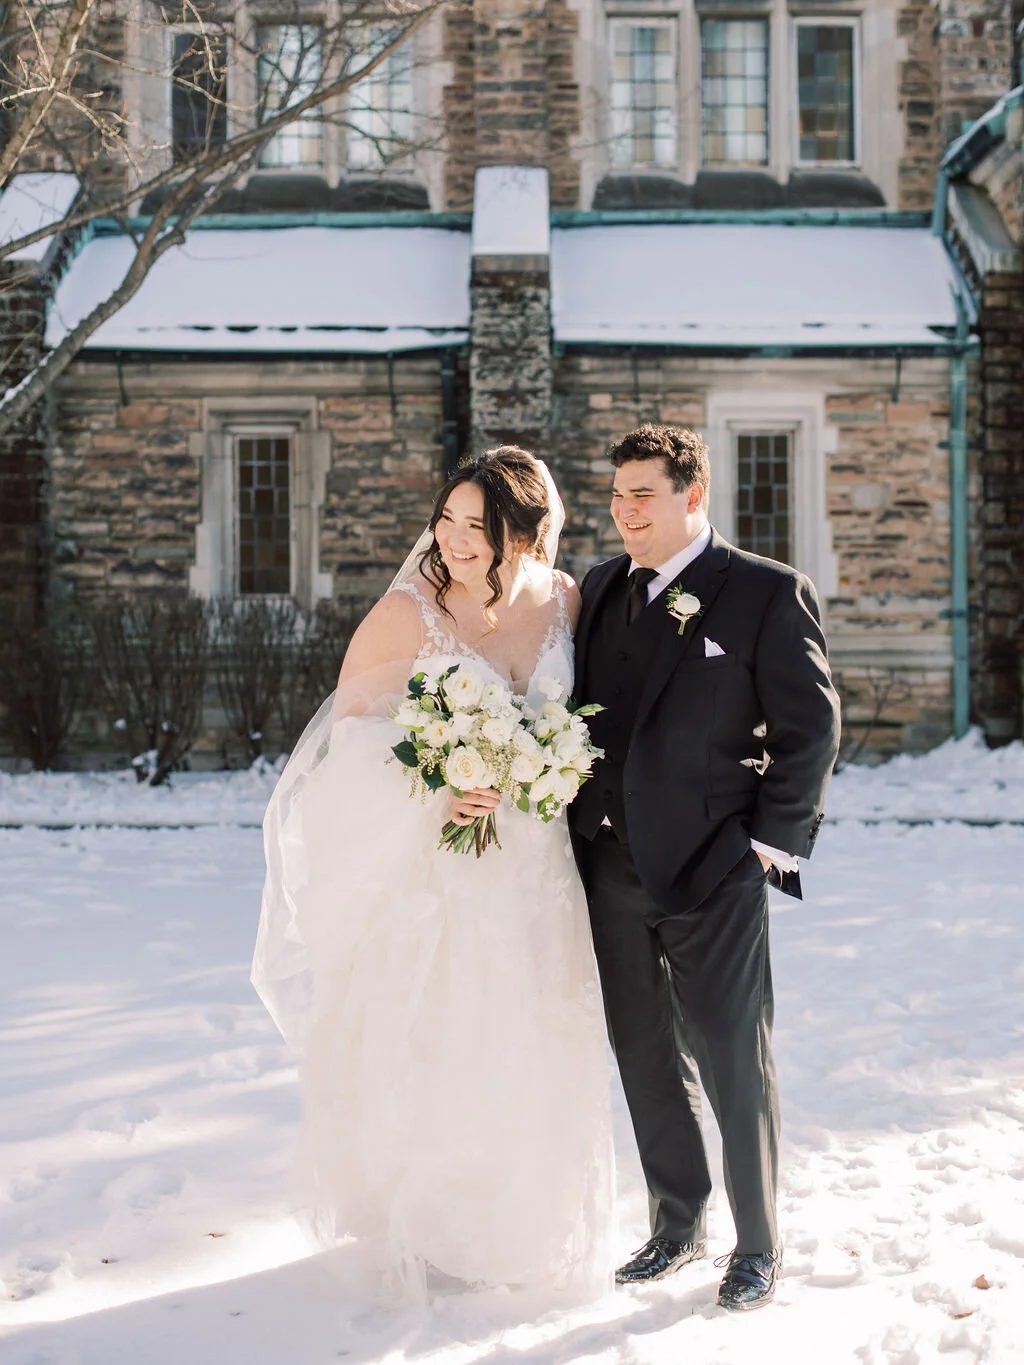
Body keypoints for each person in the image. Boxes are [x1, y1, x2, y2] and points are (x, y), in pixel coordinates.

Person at [252, 446, 613, 1304]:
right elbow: (347, 745)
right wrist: (440, 787)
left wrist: (560, 766)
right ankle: (447, 1223)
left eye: (476, 526)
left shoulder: (566, 600)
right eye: (446, 520)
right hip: (452, 878)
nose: (454, 539)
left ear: (522, 532)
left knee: (542, 1035)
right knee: (458, 1038)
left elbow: (601, 715)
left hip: (547, 873)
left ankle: (529, 1219)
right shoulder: (407, 613)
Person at [567, 423, 841, 1311]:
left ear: (694, 495)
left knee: (731, 1054)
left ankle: (757, 1243)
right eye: (616, 495)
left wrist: (769, 845)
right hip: (607, 864)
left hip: (712, 868)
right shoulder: (604, 588)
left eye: (642, 494)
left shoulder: (764, 591)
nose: (625, 510)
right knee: (643, 1051)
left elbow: (812, 728)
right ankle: (677, 1222)